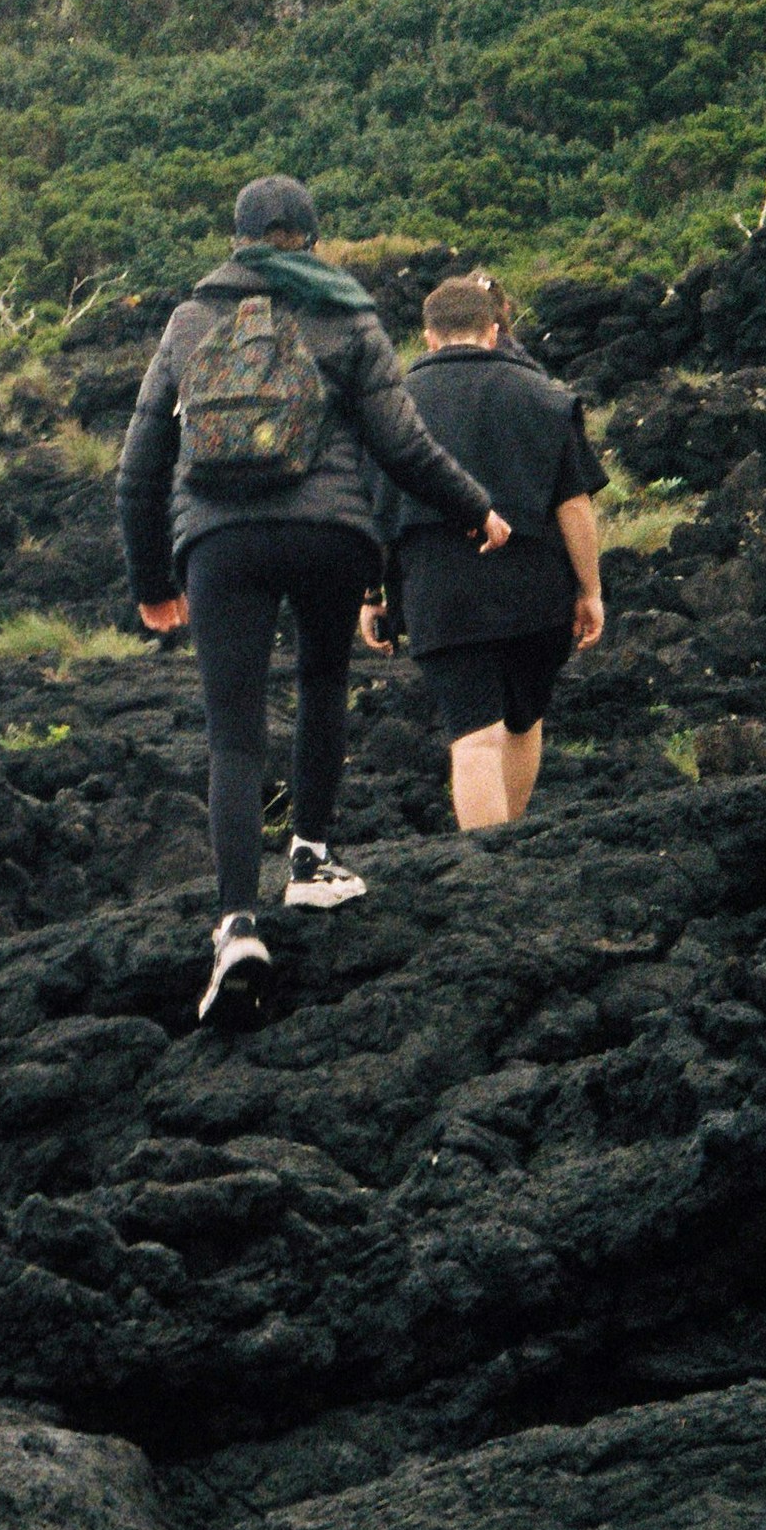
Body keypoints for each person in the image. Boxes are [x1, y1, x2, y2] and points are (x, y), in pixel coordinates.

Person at [120, 176, 506, 1027]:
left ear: (240, 237)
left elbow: (140, 464)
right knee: (322, 681)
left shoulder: (190, 320)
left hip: (219, 542)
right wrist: (477, 508)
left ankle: (235, 926)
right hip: (330, 535)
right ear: (311, 237)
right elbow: (404, 446)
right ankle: (314, 859)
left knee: (234, 728)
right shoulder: (348, 314)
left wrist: (151, 580)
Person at [364, 271, 605, 835]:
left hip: (438, 588)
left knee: (474, 733)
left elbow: (373, 515)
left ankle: (490, 864)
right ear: (494, 331)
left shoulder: (391, 410)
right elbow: (575, 508)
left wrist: (371, 596)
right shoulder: (544, 397)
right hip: (536, 586)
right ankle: (509, 846)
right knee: (524, 718)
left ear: (427, 337)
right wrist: (590, 590)